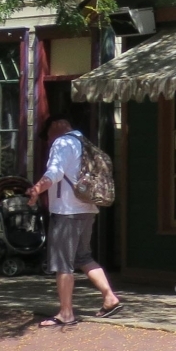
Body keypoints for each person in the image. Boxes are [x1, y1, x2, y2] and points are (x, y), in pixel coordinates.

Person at [27, 119, 122, 327]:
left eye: (47, 137)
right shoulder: (84, 142)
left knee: (63, 263)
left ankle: (66, 313)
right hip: (88, 208)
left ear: (56, 127)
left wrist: (37, 189)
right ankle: (109, 297)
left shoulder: (62, 143)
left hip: (67, 211)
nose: (49, 142)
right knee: (83, 256)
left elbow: (54, 172)